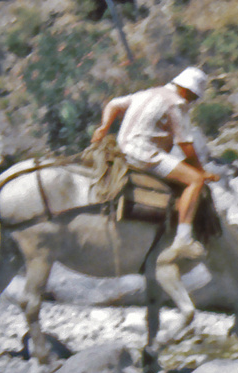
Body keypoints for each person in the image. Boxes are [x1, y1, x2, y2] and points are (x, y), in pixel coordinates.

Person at [90, 66, 218, 263]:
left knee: (185, 169)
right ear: (186, 89)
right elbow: (185, 144)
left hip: (123, 148)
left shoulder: (148, 93)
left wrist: (104, 126)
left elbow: (114, 104)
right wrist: (201, 171)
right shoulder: (176, 103)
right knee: (195, 180)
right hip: (145, 154)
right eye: (193, 96)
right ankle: (183, 239)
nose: (192, 101)